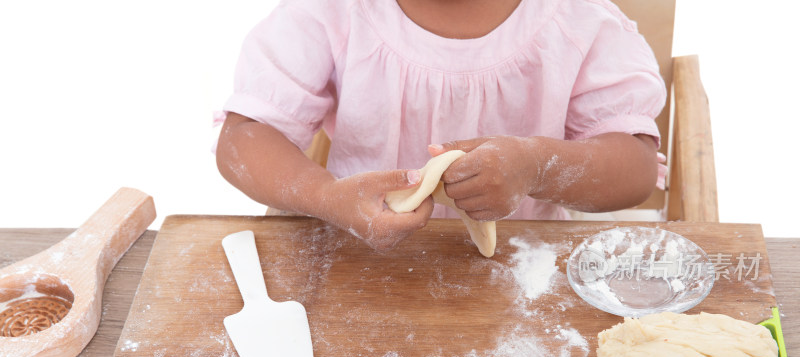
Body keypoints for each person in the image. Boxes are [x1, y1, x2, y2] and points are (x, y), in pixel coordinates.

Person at [216, 0, 666, 251]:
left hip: (522, 262)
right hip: (363, 260)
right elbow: (247, 137)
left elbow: (636, 168)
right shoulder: (332, 12)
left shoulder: (577, 20)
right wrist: (325, 196)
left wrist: (538, 167)